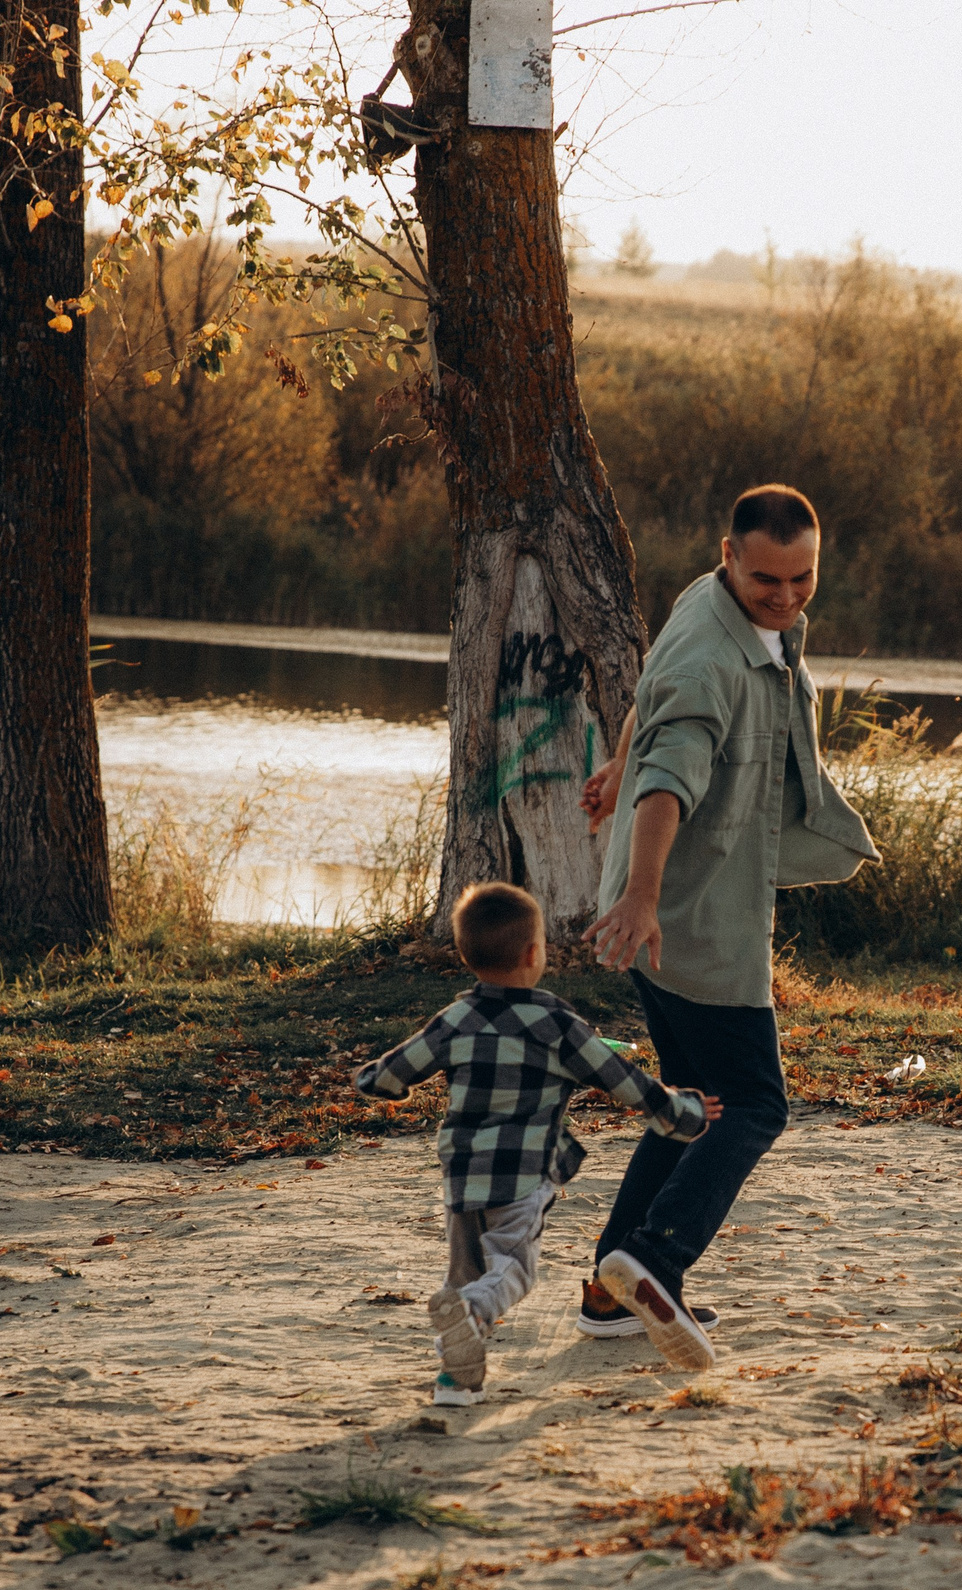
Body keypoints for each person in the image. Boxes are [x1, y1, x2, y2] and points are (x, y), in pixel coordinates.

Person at [577, 484, 879, 1371]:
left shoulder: (725, 608)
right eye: (767, 583)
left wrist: (617, 757)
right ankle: (655, 1258)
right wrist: (639, 895)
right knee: (752, 1103)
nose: (785, 598)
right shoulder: (715, 655)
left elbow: (649, 699)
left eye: (802, 579)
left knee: (688, 1101)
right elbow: (671, 781)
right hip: (688, 913)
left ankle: (607, 1293)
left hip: (676, 906)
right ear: (727, 555)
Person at [351, 882, 719, 1406]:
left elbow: (386, 1077)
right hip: (522, 1177)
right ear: (533, 953)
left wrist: (373, 1080)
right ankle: (475, 1312)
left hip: (461, 1177)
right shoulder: (556, 1025)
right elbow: (622, 1079)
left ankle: (456, 1382)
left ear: (465, 955)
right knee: (512, 1270)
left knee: (465, 1274)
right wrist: (684, 1112)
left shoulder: (454, 1020)